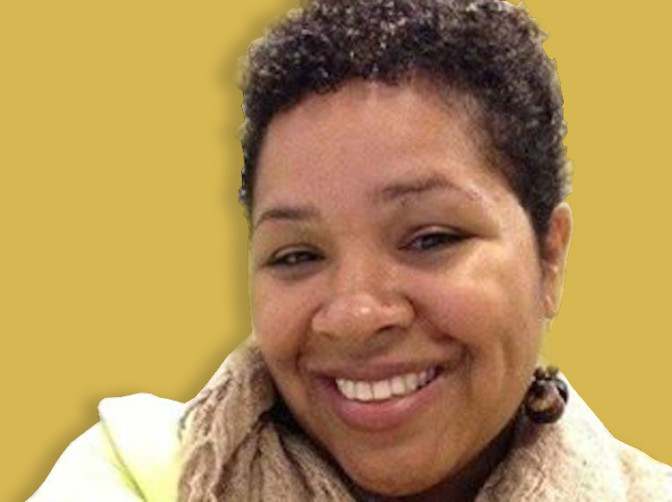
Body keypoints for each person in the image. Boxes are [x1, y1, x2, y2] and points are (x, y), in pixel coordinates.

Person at [28, 0, 672, 500]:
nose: (356, 315)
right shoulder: (138, 473)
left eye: (431, 239)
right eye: (297, 256)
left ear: (549, 258)